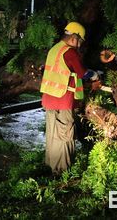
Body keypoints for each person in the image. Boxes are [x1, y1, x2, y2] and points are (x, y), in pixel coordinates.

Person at [40, 22, 98, 175]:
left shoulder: (54, 49)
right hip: (63, 100)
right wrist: (95, 75)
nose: (79, 45)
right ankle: (63, 173)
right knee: (65, 137)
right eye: (80, 41)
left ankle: (52, 169)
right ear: (74, 37)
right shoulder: (70, 52)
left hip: (49, 100)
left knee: (53, 136)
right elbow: (82, 74)